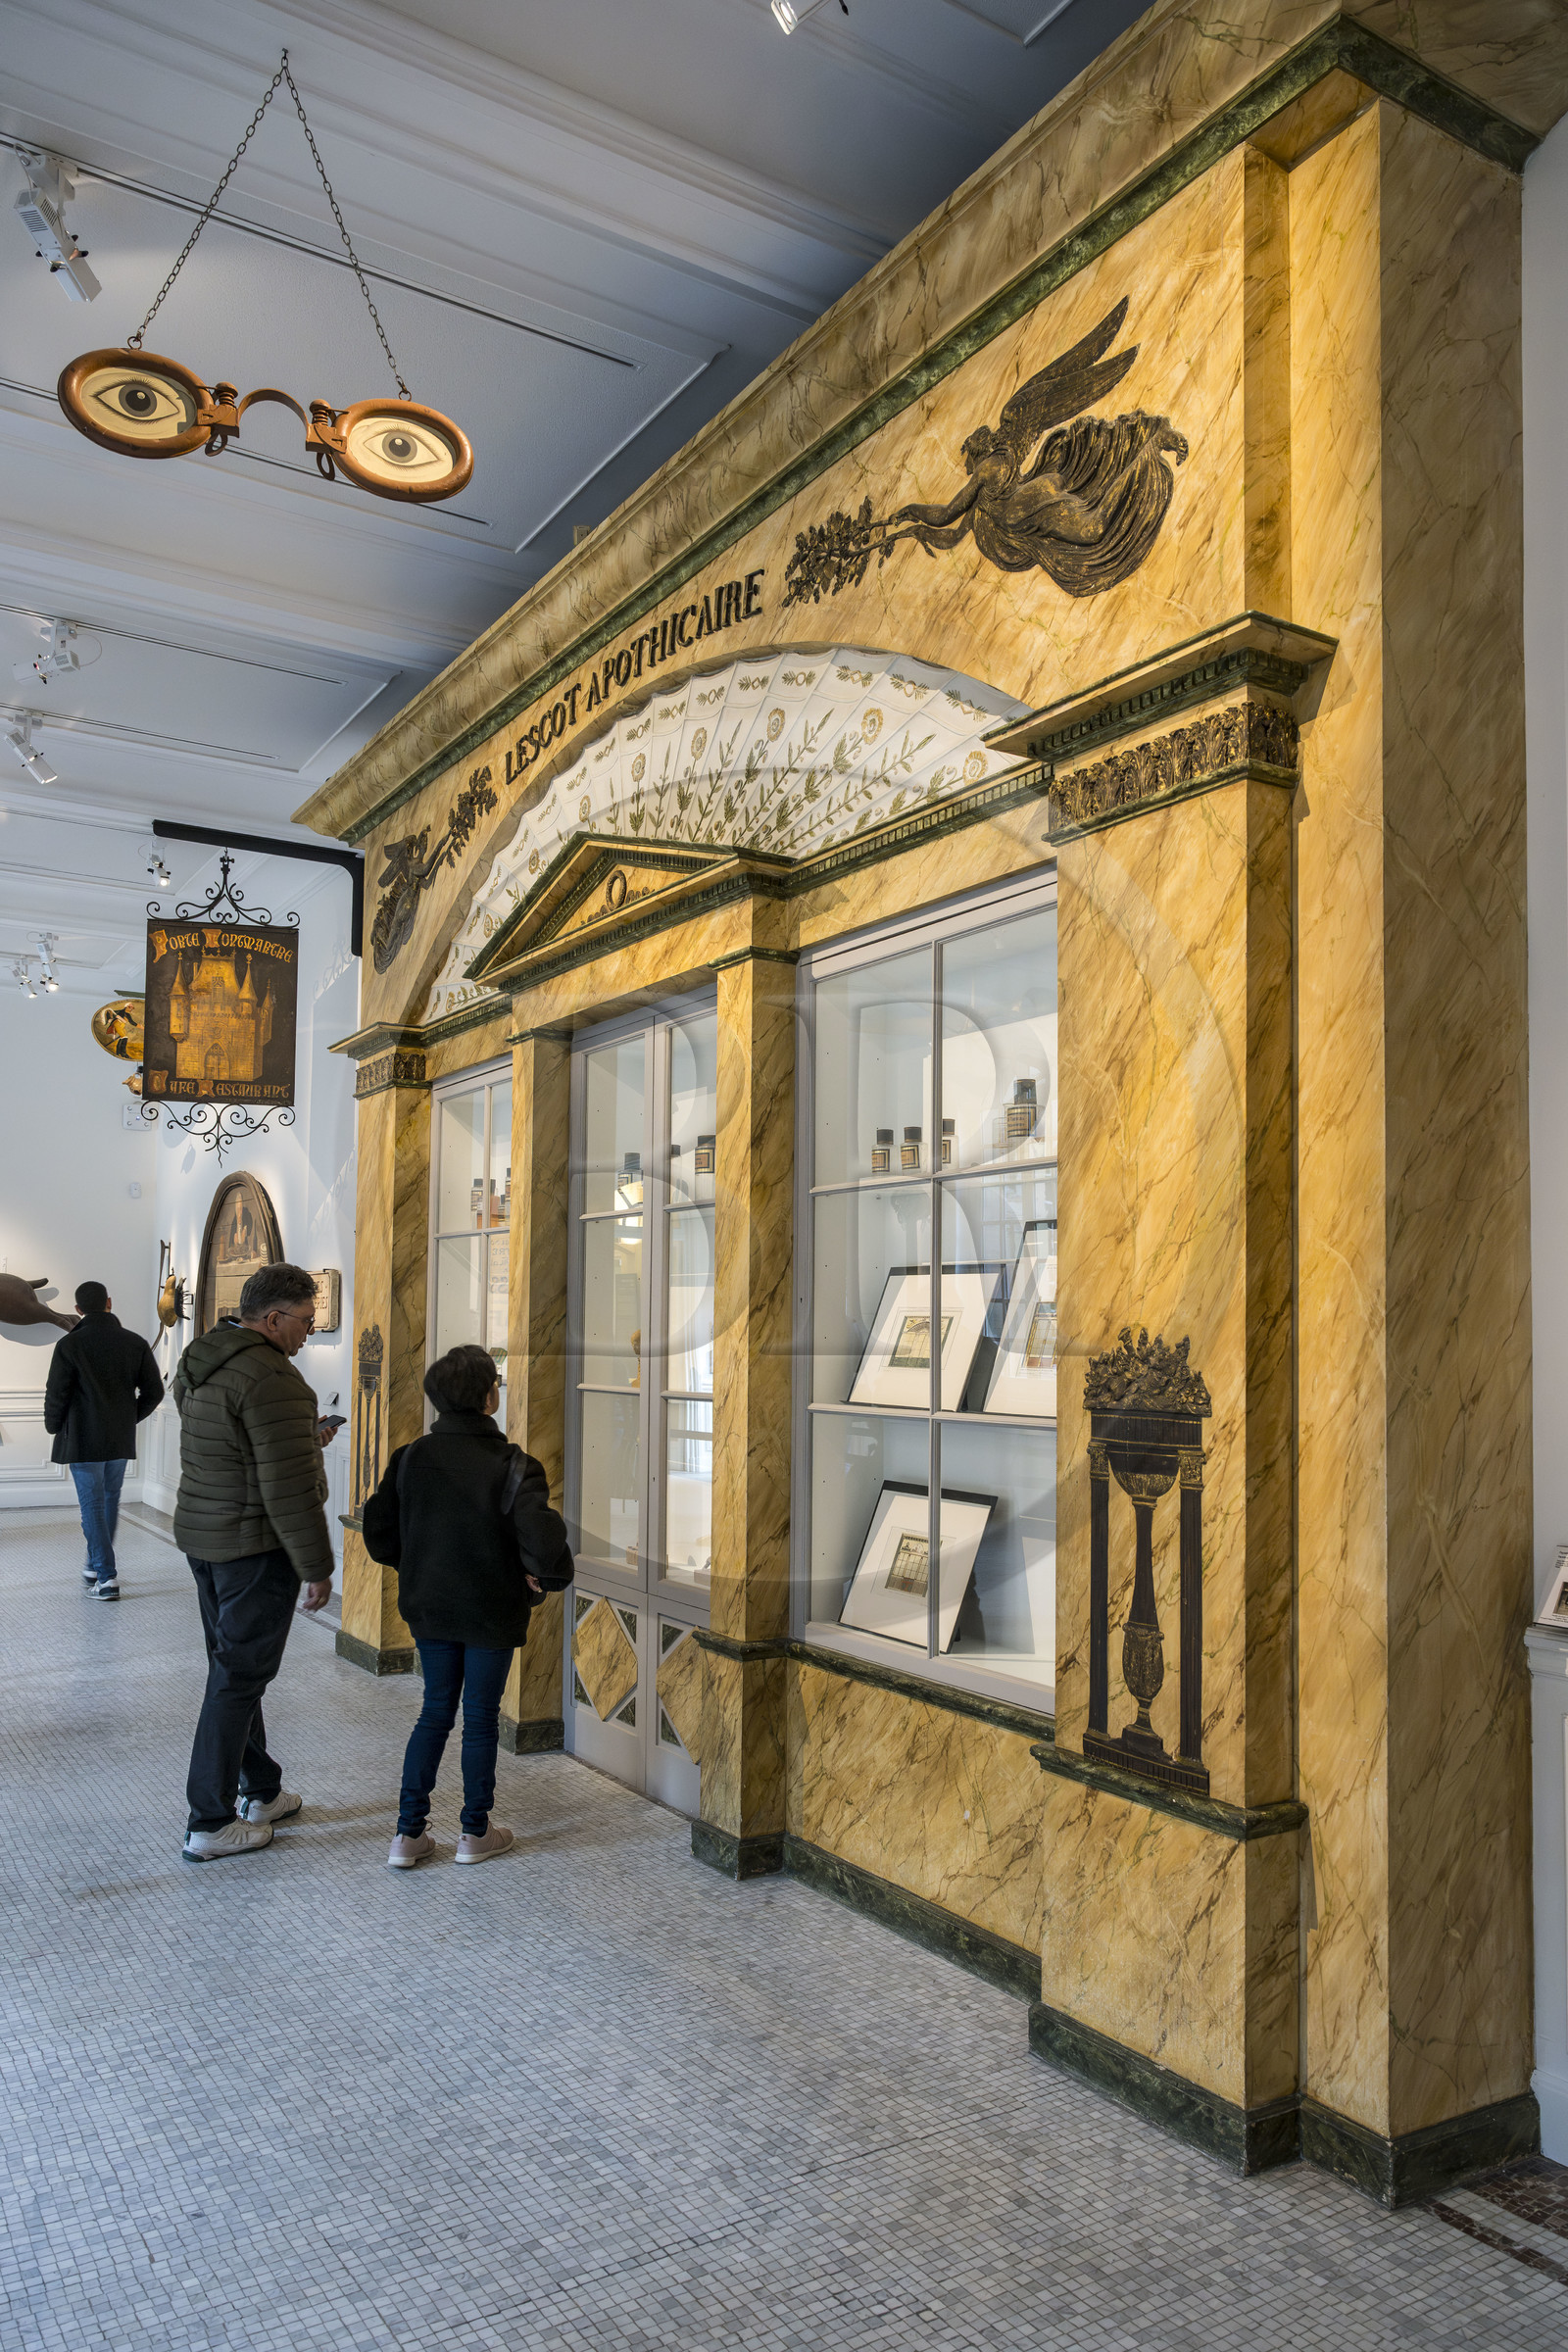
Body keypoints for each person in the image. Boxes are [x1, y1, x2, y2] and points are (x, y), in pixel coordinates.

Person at [362, 1343, 572, 1869]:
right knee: (479, 1719)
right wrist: (541, 1576)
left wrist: (419, 1565)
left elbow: (379, 1534)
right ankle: (473, 1833)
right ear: (487, 1398)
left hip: (429, 1606)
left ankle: (407, 1837)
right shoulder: (516, 1465)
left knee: (434, 1712)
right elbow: (544, 1546)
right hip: (491, 1609)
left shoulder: (410, 1458)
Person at [172, 1262, 337, 1863]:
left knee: (234, 1668)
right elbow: (287, 1491)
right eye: (304, 1321)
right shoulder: (277, 1382)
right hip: (254, 1549)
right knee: (238, 1678)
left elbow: (231, 1448)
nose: (308, 1332)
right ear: (273, 1319)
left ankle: (261, 1791)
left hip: (204, 1537)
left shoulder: (201, 1359)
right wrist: (318, 1566)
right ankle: (209, 1821)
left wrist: (300, 1437)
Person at [43, 1281, 164, 1600]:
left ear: (78, 1310)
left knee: (93, 1505)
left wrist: (53, 1426)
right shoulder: (134, 1342)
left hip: (83, 1440)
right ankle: (95, 1566)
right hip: (117, 1440)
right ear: (109, 1302)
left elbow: (57, 1393)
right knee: (109, 1501)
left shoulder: (70, 1345)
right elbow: (155, 1392)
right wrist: (127, 1419)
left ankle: (107, 1578)